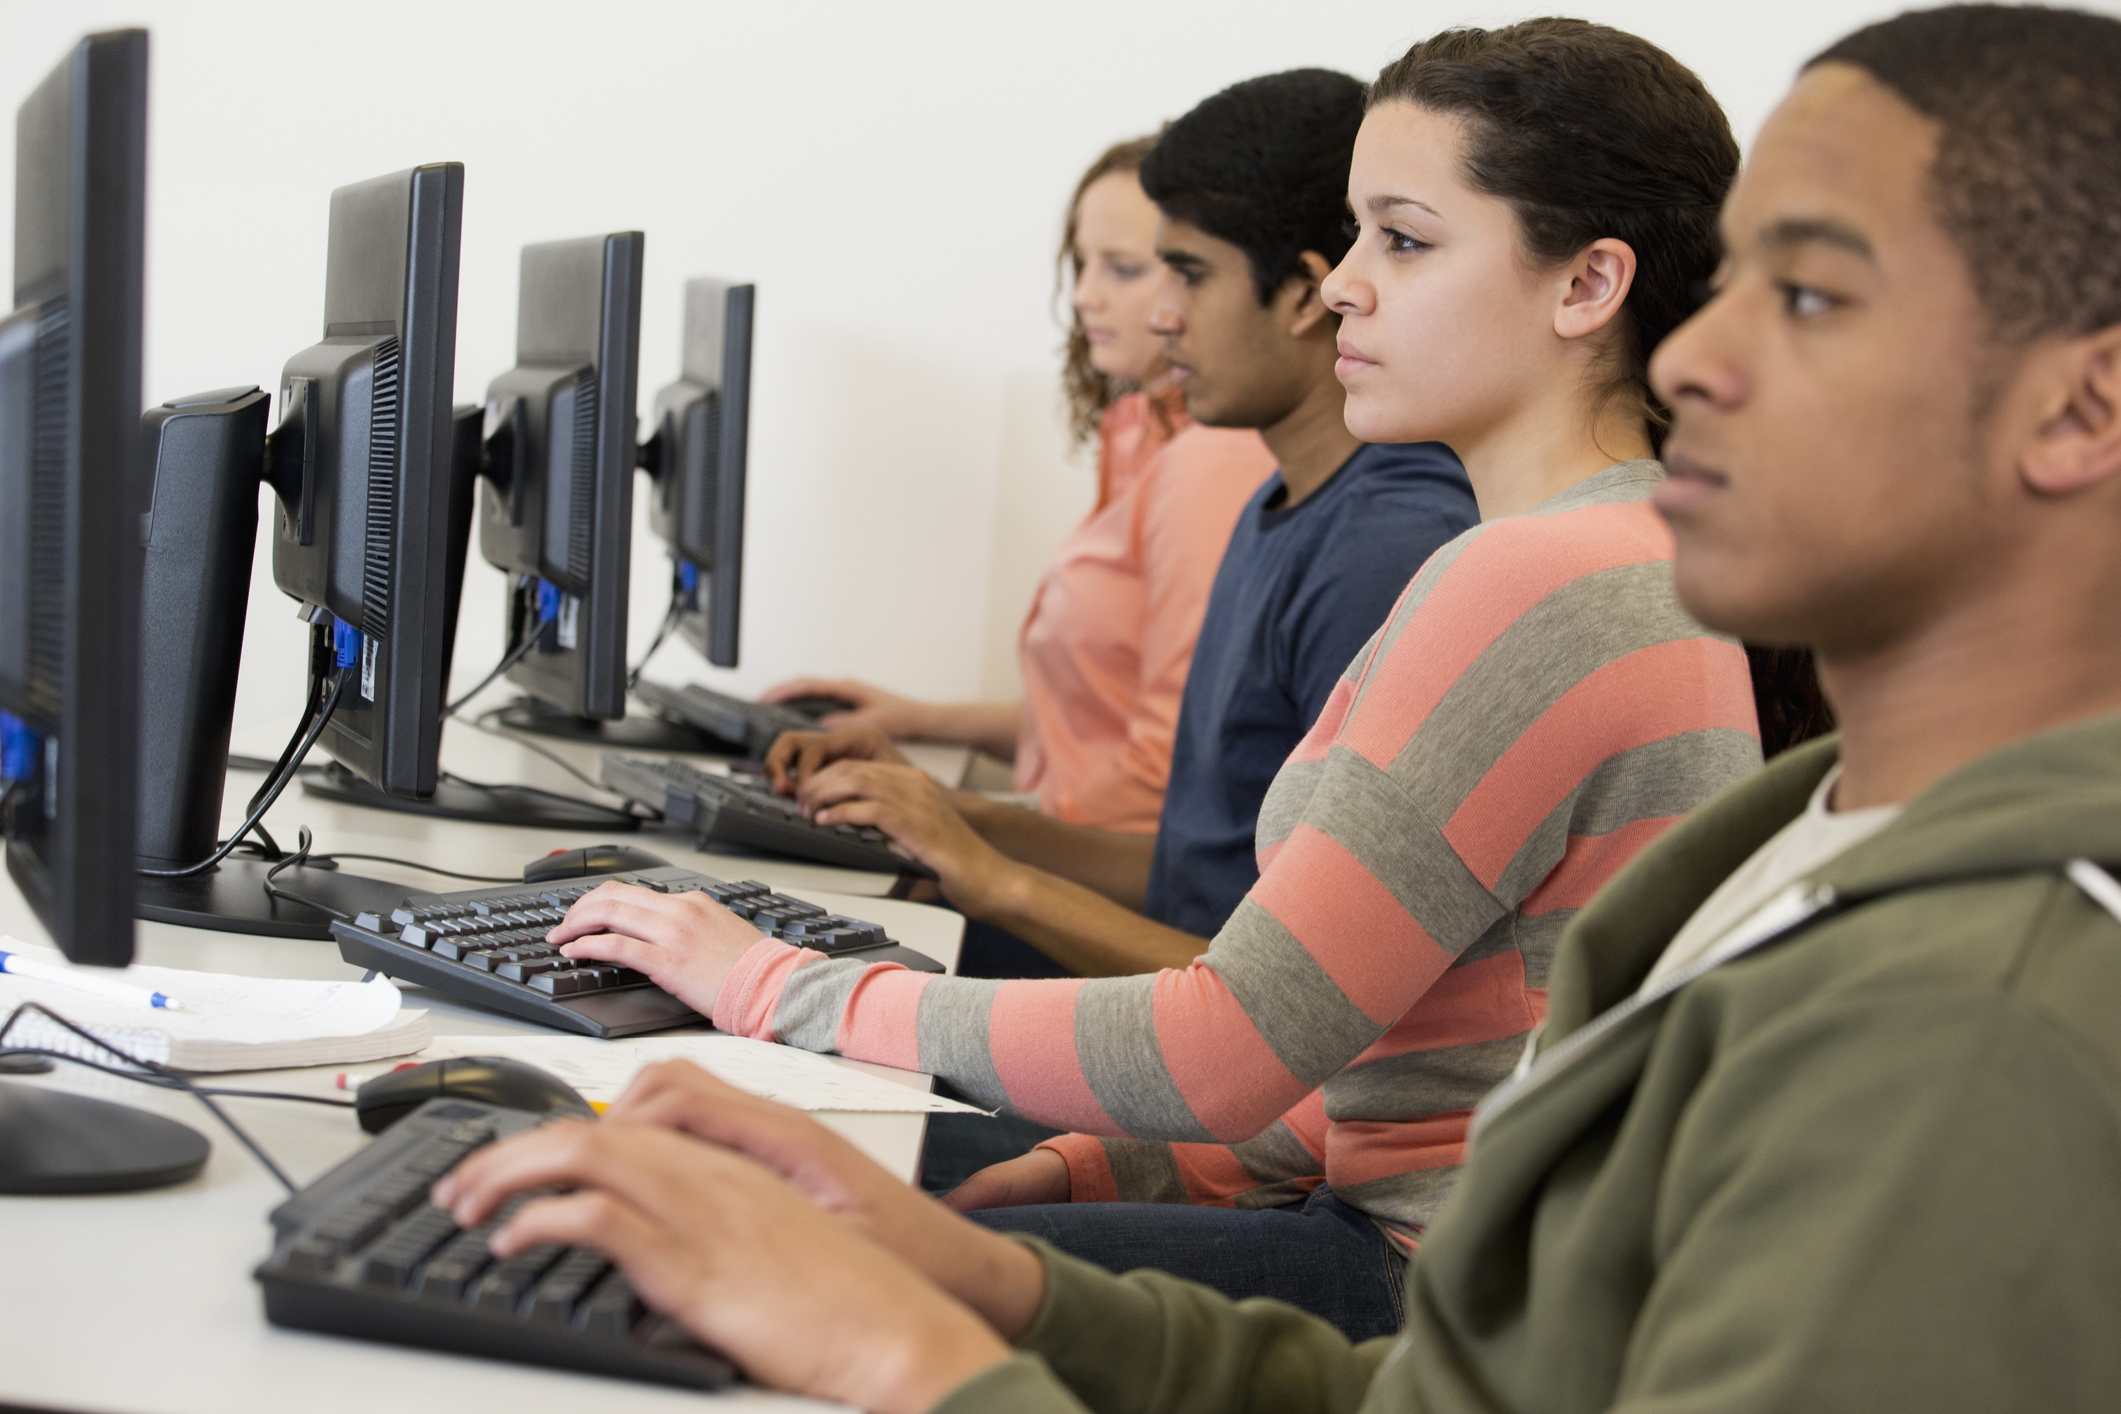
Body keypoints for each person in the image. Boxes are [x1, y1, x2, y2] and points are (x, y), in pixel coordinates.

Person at [437, 6, 2121, 1409]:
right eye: (1733, 280)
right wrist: (1028, 1260)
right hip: (1357, 1229)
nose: (1700, 358)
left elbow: (1249, 1045)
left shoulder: (1971, 1003)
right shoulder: (1794, 827)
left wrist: (897, 1300)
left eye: (1807, 293)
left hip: (1370, 1245)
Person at [538, 20, 1762, 1344]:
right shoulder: (1622, 550)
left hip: (1425, 1292)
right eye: (1353, 237)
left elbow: (1227, 1042)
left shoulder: (1539, 583)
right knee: (737, 1168)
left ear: (1586, 284)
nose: (1341, 286)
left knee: (674, 1211)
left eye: (1401, 240)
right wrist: (1126, 1162)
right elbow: (1403, 1032)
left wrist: (772, 985)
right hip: (1400, 1227)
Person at [765, 69, 1477, 986]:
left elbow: (1292, 996)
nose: (1160, 316)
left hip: (1201, 1097)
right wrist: (949, 815)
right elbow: (1198, 880)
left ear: (1303, 294)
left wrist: (993, 880)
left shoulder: (1382, 549)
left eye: (1185, 274)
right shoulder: (1283, 503)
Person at [764, 136, 1276, 836]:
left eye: (1123, 268)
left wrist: (959, 834)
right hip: (1049, 845)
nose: (1084, 294)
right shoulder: (1138, 435)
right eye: (1080, 262)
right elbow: (1086, 721)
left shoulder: (1212, 462)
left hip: (1087, 878)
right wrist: (913, 719)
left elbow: (1160, 772)